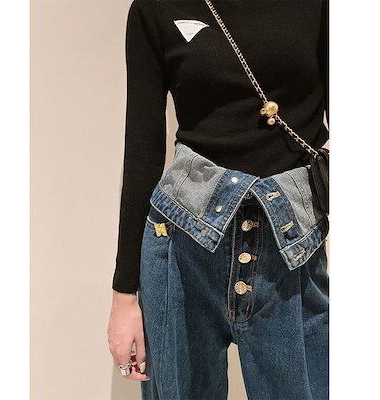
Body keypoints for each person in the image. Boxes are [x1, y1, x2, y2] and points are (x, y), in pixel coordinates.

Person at [108, 0, 329, 399]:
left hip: (291, 252)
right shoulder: (155, 8)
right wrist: (125, 297)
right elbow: (142, 151)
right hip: (182, 246)